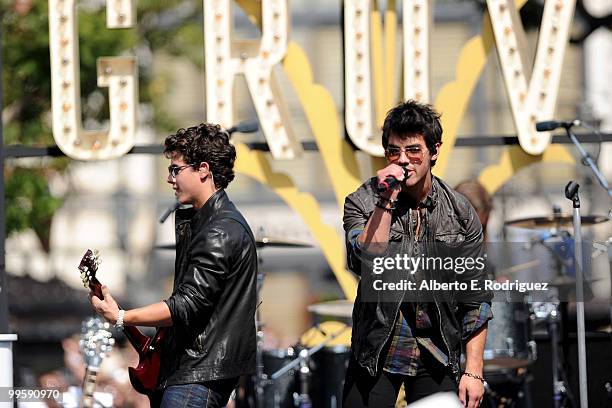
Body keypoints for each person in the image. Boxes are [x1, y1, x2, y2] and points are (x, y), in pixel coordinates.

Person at [90, 123, 258, 407]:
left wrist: (121, 317)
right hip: (192, 370)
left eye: (176, 169)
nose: (170, 179)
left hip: (197, 375)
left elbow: (185, 306)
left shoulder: (218, 231)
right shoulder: (207, 223)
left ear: (203, 169)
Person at [342, 100, 493, 408]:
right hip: (377, 352)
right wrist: (387, 199)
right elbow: (363, 259)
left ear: (433, 151)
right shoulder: (362, 201)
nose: (403, 161)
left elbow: (475, 298)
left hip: (435, 352)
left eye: (413, 150)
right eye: (394, 152)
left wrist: (474, 371)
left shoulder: (461, 213)